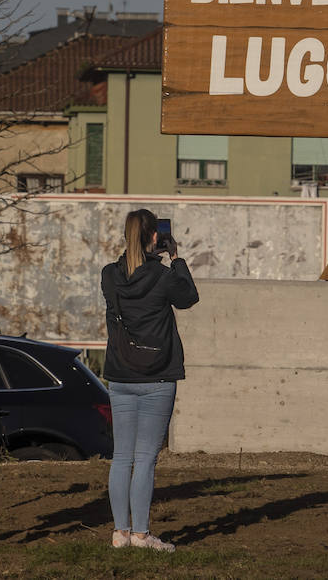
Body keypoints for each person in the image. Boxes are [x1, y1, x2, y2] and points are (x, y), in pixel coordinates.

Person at [101, 208, 199, 552]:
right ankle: (141, 535)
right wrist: (177, 257)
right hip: (157, 376)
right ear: (155, 237)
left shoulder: (109, 275)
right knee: (144, 459)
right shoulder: (163, 275)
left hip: (120, 375)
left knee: (121, 457)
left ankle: (119, 533)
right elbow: (188, 298)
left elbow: (127, 280)